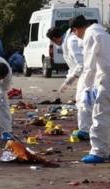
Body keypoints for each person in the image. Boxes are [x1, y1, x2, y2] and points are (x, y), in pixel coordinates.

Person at [69, 15, 110, 163]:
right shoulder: (103, 33)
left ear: (76, 29)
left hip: (106, 79)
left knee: (100, 116)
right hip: (106, 76)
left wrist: (86, 88)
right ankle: (106, 149)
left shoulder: (90, 35)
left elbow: (89, 66)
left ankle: (99, 152)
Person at [46, 26, 91, 141]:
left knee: (83, 102)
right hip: (85, 74)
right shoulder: (68, 42)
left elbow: (81, 65)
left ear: (56, 38)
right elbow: (73, 66)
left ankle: (85, 130)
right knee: (87, 102)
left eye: (53, 41)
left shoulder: (71, 42)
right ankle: (87, 128)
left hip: (88, 75)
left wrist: (70, 80)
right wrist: (66, 82)